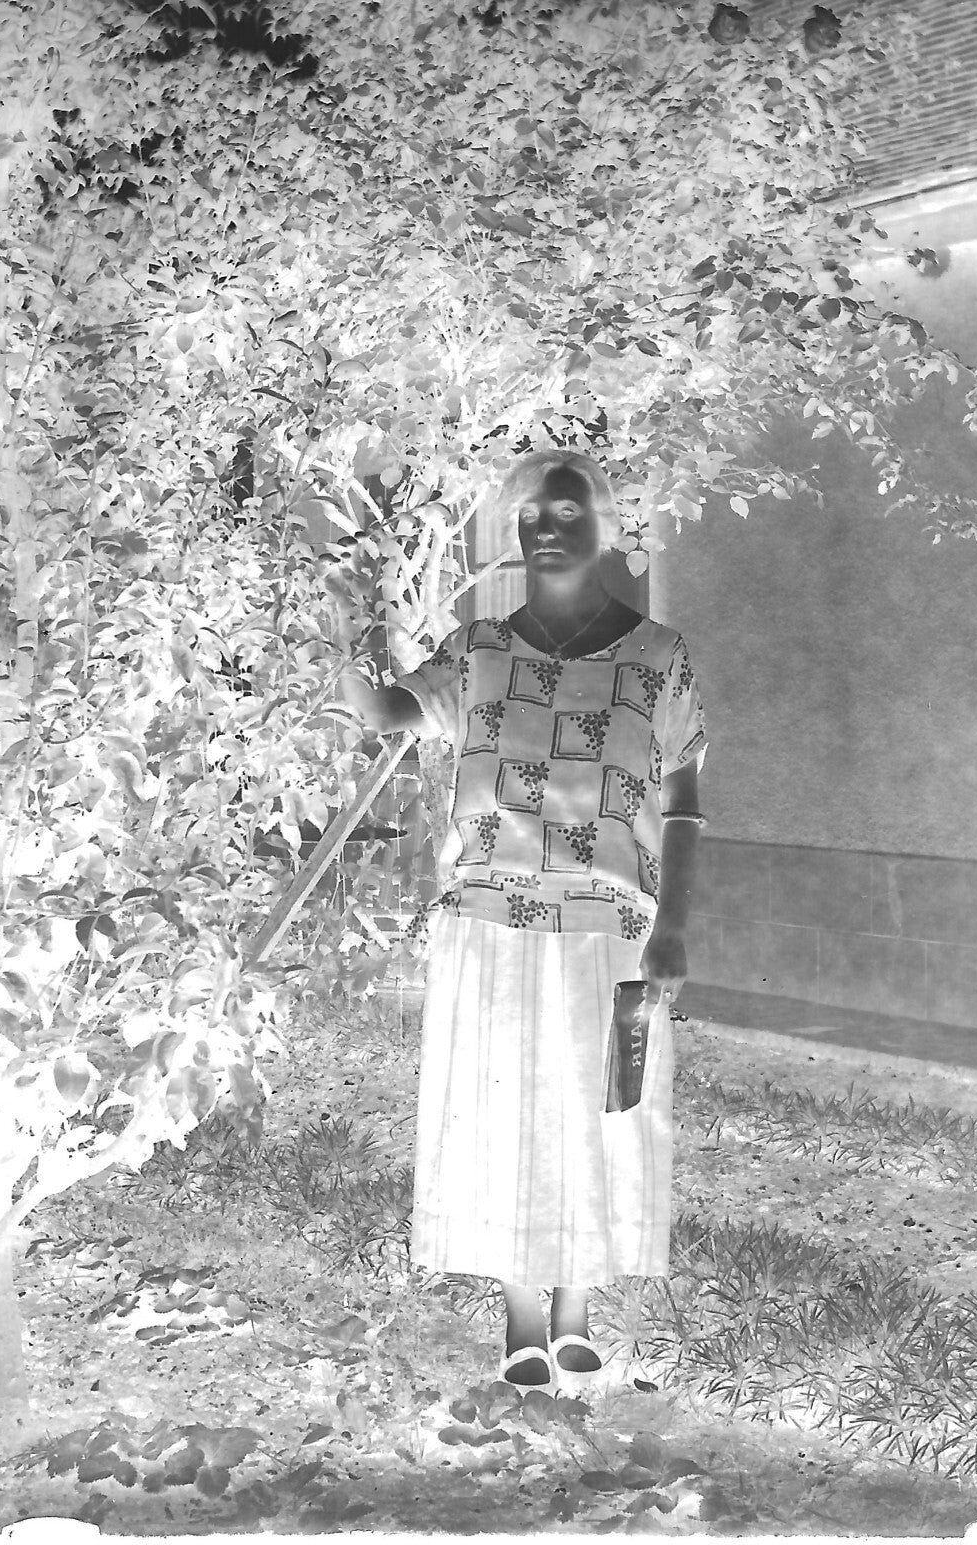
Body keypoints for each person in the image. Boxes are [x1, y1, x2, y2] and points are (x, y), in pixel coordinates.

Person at [338, 449, 706, 1390]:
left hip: (610, 930)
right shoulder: (479, 651)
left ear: (607, 529)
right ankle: (519, 1318)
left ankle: (577, 1310)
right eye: (532, 511)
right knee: (508, 1112)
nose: (547, 525)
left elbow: (687, 802)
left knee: (598, 1112)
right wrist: (339, 631)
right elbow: (385, 710)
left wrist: (673, 928)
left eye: (568, 510)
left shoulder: (660, 659)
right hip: (492, 922)